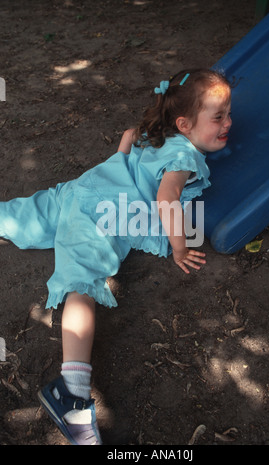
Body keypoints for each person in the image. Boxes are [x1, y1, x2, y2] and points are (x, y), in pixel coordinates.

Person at [0, 68, 232, 445]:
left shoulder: (158, 134)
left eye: (228, 114)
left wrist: (121, 160)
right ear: (185, 123)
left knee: (21, 218)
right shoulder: (184, 156)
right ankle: (70, 393)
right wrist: (179, 247)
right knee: (81, 284)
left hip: (82, 189)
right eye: (218, 117)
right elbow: (166, 198)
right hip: (99, 214)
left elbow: (127, 140)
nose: (228, 123)